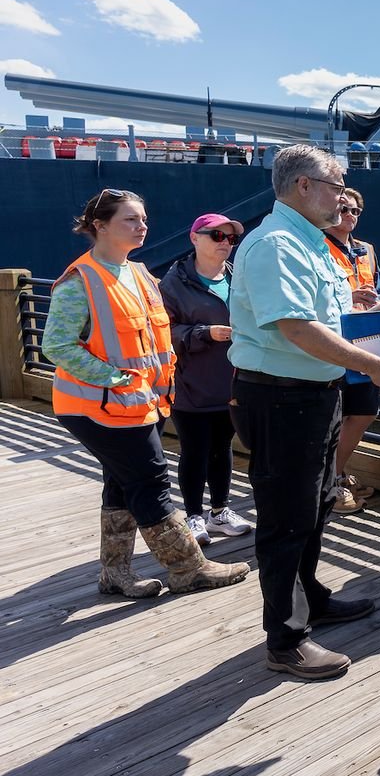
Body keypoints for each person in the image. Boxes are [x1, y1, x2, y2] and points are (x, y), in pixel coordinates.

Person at [229, 145, 380, 681]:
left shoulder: (310, 243)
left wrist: (358, 313)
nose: (343, 196)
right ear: (304, 185)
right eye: (336, 185)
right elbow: (297, 329)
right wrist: (374, 364)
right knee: (286, 517)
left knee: (316, 504)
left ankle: (312, 597)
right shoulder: (278, 244)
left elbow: (320, 315)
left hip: (313, 394)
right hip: (281, 396)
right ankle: (285, 639)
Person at [43, 189, 249, 598]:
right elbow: (57, 346)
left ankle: (115, 575)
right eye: (130, 220)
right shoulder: (80, 281)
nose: (142, 227)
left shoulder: (139, 274)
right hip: (99, 406)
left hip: (137, 405)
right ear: (99, 226)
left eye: (143, 219)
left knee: (121, 483)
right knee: (151, 480)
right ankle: (188, 568)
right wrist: (118, 380)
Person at [161, 213, 254, 545]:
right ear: (195, 238)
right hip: (191, 384)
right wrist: (204, 333)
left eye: (231, 239)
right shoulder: (172, 284)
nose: (226, 244)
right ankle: (192, 515)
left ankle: (219, 512)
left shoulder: (237, 278)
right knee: (194, 451)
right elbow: (163, 332)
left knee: (222, 448)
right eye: (217, 236)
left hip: (231, 382)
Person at [325, 187, 380, 514]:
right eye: (344, 210)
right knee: (335, 417)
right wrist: (350, 299)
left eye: (355, 211)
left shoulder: (367, 250)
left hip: (365, 341)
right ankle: (331, 482)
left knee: (364, 411)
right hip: (332, 343)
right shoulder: (318, 247)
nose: (349, 216)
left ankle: (335, 475)